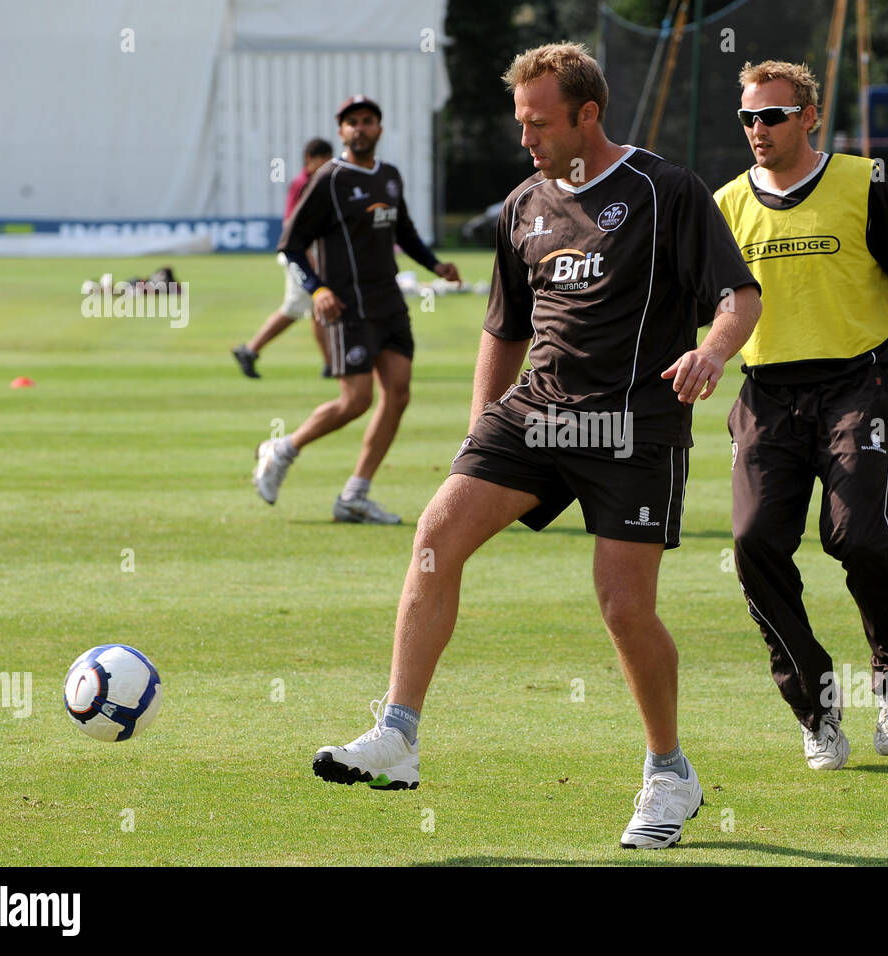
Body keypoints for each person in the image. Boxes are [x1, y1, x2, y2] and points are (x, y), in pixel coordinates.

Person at [310, 43, 761, 850]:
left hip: (633, 424)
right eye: (520, 122)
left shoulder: (668, 191)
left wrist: (714, 351)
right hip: (535, 414)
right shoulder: (524, 204)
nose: (527, 138)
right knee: (434, 540)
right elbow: (505, 328)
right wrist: (483, 428)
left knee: (625, 608)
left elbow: (739, 295)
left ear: (589, 113)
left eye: (540, 123)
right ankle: (400, 735)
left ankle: (669, 772)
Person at [713, 60, 888, 771]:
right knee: (753, 544)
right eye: (748, 117)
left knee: (857, 538)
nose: (757, 129)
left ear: (809, 117)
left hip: (854, 384)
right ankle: (815, 708)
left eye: (772, 115)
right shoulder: (727, 202)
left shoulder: (865, 181)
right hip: (764, 394)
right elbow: (700, 301)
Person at [252, 96, 462, 524]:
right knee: (356, 400)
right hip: (349, 306)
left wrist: (435, 265)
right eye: (352, 122)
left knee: (398, 394)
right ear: (341, 131)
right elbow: (290, 245)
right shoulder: (329, 179)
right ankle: (282, 450)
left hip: (389, 302)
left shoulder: (389, 177)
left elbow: (404, 231)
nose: (360, 128)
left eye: (368, 121)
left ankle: (354, 496)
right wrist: (316, 290)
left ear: (379, 129)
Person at [232, 138, 334, 379]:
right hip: (300, 253)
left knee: (317, 308)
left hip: (307, 251)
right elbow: (292, 223)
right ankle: (250, 349)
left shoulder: (315, 182)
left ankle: (332, 364)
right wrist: (306, 255)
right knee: (294, 308)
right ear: (311, 158)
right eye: (324, 160)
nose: (327, 165)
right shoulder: (303, 184)